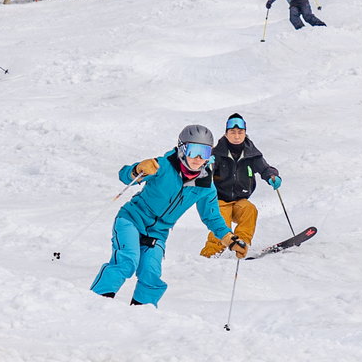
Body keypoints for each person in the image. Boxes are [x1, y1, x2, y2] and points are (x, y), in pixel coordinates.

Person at [91, 125, 246, 306]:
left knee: (151, 274)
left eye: (204, 152)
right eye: (193, 150)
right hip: (131, 220)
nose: (198, 158)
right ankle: (96, 302)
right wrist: (137, 170)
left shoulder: (205, 187)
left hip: (157, 233)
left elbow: (212, 217)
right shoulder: (162, 166)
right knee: (128, 260)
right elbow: (125, 176)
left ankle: (141, 312)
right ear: (181, 149)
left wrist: (228, 237)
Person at [200, 114, 280, 257]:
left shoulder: (251, 154)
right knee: (221, 222)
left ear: (245, 133)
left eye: (240, 132)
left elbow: (264, 168)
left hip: (239, 200)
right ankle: (210, 254)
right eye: (233, 132)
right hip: (220, 200)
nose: (236, 136)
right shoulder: (217, 153)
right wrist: (207, 164)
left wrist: (272, 176)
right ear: (226, 133)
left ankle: (241, 246)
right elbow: (203, 172)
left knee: (249, 210)